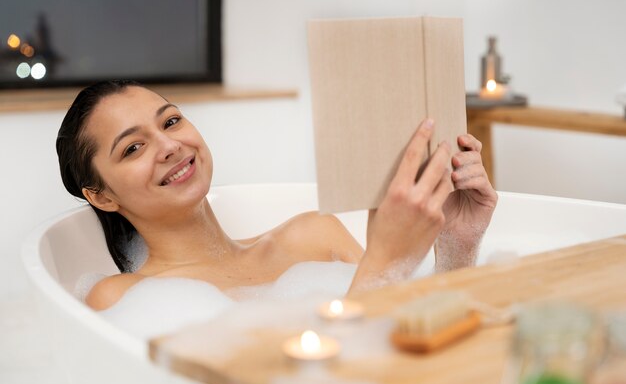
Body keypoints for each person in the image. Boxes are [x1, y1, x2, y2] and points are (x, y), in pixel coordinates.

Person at [56, 80, 497, 311]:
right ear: (102, 197)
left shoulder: (313, 236)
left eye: (171, 122)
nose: (170, 145)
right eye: (133, 147)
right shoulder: (124, 298)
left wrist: (457, 244)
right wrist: (385, 262)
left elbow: (410, 347)